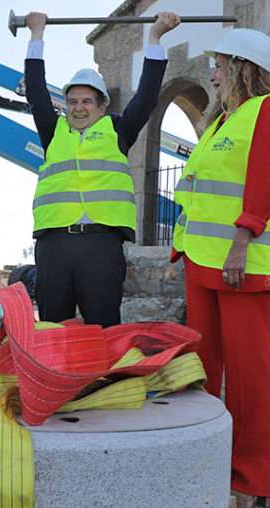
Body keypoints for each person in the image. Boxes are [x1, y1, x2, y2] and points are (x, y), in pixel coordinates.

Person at [168, 29, 270, 508]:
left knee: (251, 375)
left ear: (243, 66)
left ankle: (249, 479)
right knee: (203, 369)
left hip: (239, 262)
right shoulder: (222, 121)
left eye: (220, 64)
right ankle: (210, 464)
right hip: (204, 263)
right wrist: (180, 247)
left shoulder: (268, 110)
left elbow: (263, 182)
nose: (213, 73)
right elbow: (199, 193)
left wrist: (242, 242)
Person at [23, 11, 180, 326]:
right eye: (73, 102)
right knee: (53, 327)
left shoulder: (118, 130)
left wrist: (155, 37)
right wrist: (36, 36)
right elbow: (36, 93)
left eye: (86, 102)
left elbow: (147, 96)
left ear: (102, 106)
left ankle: (106, 377)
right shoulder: (54, 132)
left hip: (101, 245)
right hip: (54, 245)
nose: (79, 108)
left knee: (104, 326)